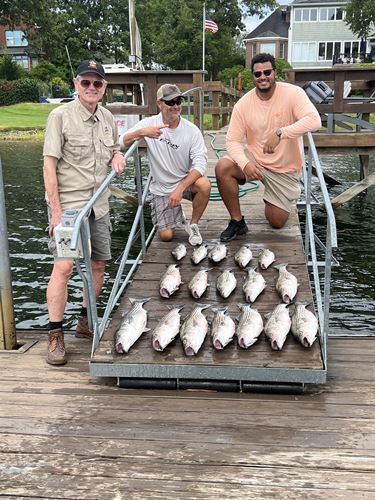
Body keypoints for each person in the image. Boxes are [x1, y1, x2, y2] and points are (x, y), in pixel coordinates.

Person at [43, 59, 125, 366]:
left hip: (99, 206)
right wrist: (55, 213)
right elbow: (48, 166)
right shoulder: (59, 116)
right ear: (76, 84)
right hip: (69, 210)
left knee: (99, 265)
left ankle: (84, 320)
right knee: (64, 268)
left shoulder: (106, 117)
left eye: (97, 83)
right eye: (86, 82)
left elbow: (114, 147)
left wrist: (117, 155)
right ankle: (55, 335)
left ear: (104, 88)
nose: (92, 88)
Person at [215, 53, 321, 242]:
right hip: (256, 162)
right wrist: (245, 163)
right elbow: (232, 141)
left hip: (285, 170)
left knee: (276, 221)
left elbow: (314, 121)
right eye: (257, 74)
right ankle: (237, 222)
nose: (262, 77)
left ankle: (272, 197)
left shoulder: (293, 93)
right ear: (253, 77)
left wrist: (281, 133)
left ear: (275, 72)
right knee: (222, 167)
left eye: (267, 72)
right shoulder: (243, 104)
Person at [120, 84, 210, 245]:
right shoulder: (149, 124)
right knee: (166, 236)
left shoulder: (192, 130)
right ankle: (176, 215)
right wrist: (141, 133)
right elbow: (121, 142)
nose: (176, 106)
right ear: (159, 104)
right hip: (161, 188)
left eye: (178, 101)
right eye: (170, 102)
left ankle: (193, 224)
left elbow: (200, 164)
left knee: (204, 184)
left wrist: (180, 189)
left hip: (183, 183)